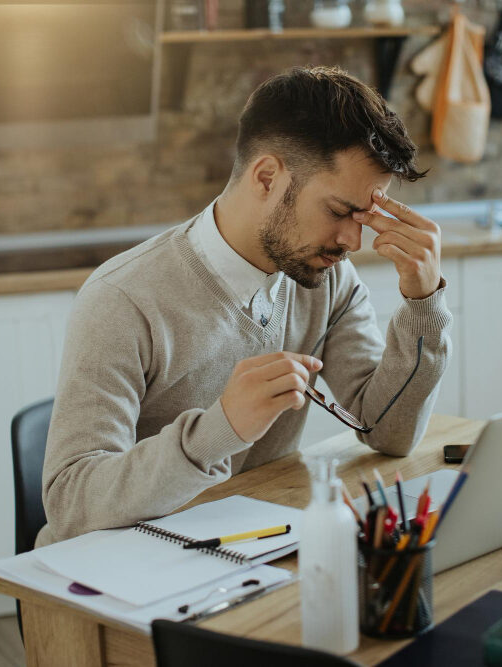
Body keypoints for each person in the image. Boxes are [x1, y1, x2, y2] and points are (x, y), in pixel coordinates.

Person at [37, 66, 453, 547]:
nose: (353, 241)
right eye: (339, 212)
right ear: (267, 177)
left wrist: (424, 303)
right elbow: (70, 503)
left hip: (250, 548)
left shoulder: (327, 278)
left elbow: (388, 433)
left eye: (364, 217)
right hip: (121, 572)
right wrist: (220, 430)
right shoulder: (122, 299)